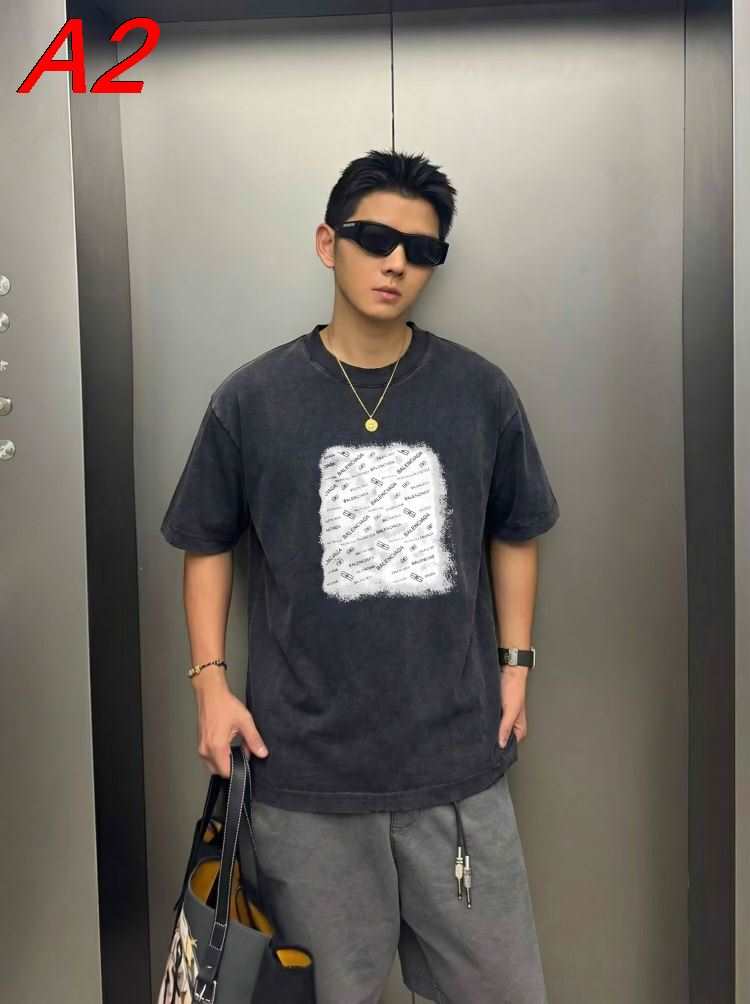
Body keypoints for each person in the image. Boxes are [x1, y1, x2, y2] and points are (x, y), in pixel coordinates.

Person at [160, 148, 560, 1004]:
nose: (396, 262)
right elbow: (206, 540)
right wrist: (210, 686)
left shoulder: (478, 392)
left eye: (422, 249)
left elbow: (516, 528)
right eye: (374, 238)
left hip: (456, 764)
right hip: (304, 774)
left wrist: (516, 665)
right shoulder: (254, 399)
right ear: (327, 243)